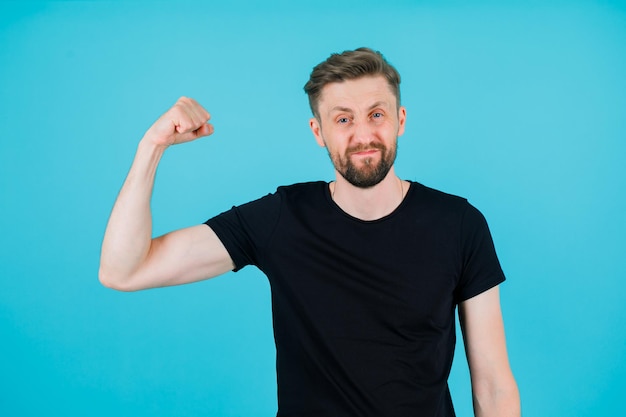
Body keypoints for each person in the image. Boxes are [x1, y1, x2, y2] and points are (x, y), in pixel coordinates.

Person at [99, 47, 520, 417]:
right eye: (342, 119)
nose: (363, 135)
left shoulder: (459, 224)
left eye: (377, 114)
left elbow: (493, 385)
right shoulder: (282, 218)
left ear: (400, 120)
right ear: (318, 131)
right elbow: (124, 271)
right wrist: (151, 148)